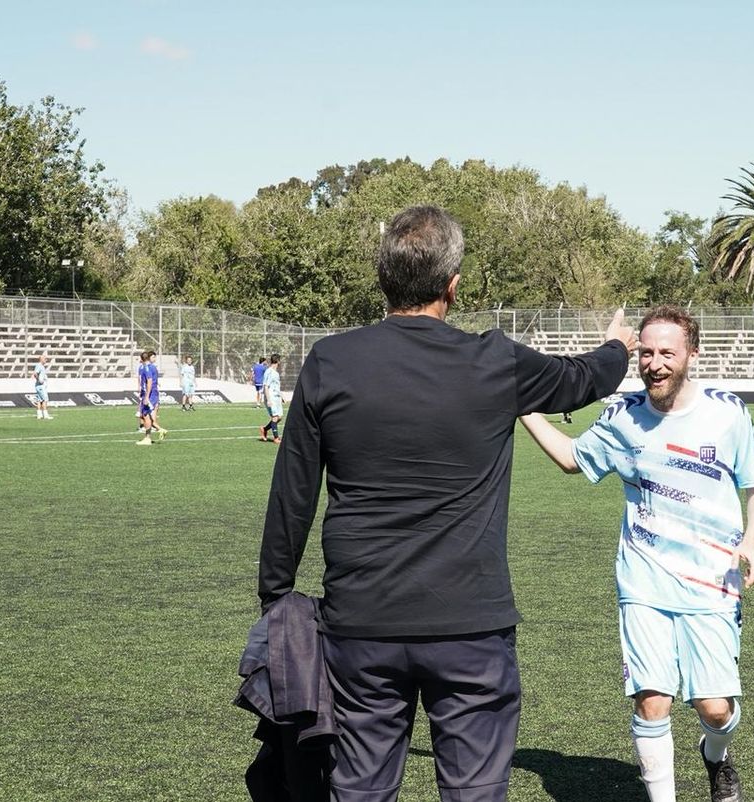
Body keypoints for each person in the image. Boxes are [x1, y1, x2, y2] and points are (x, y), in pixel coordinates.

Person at [257, 205, 636, 802]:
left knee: (359, 789)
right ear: (453, 286)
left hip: (361, 622)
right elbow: (584, 378)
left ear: (383, 279)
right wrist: (618, 346)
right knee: (474, 792)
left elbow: (293, 493)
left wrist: (275, 595)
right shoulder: (494, 361)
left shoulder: (331, 361)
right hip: (470, 626)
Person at [519, 305, 754, 802]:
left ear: (692, 354)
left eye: (667, 353)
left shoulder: (727, 413)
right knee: (652, 700)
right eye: (648, 353)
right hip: (642, 582)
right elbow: (572, 458)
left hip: (712, 583)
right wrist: (522, 405)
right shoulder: (622, 416)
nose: (655, 363)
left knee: (715, 709)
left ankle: (716, 755)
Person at [136, 350, 167, 446]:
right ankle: (158, 431)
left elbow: (149, 382)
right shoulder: (151, 367)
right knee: (146, 415)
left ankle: (148, 438)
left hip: (150, 394)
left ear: (142, 359)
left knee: (146, 416)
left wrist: (146, 396)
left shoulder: (147, 368)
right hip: (151, 393)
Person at [258, 354, 283, 444]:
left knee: (279, 417)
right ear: (278, 361)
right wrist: (268, 399)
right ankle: (276, 438)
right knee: (275, 417)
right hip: (271, 397)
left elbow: (275, 386)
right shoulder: (269, 372)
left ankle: (264, 429)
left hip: (276, 398)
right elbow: (266, 386)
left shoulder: (275, 373)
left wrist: (281, 396)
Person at [32, 354, 52, 420]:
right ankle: (45, 415)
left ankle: (39, 415)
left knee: (39, 400)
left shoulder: (41, 366)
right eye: (45, 359)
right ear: (41, 359)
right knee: (44, 400)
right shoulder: (39, 365)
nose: (46, 360)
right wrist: (39, 380)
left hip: (39, 386)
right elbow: (35, 373)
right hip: (41, 386)